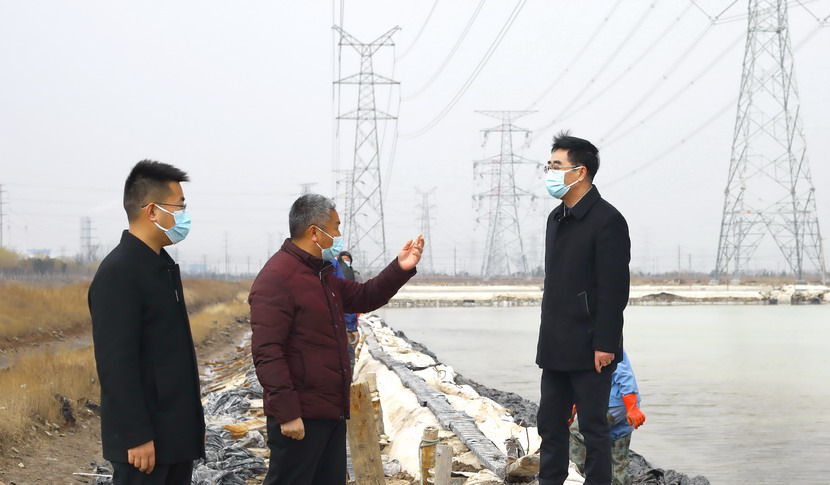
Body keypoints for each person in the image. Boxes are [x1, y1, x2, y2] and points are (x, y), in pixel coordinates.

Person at [249, 194, 424, 484]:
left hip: (329, 409)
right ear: (314, 232)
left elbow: (364, 296)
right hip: (301, 414)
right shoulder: (277, 278)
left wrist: (400, 268)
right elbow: (267, 352)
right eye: (336, 226)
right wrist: (287, 413)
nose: (339, 234)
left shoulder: (321, 274)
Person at [88, 160, 205, 484]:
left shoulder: (160, 267)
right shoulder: (120, 272)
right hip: (145, 444)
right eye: (179, 207)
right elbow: (116, 364)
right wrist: (136, 434)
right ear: (152, 210)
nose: (184, 216)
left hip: (173, 436)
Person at [536, 131, 631, 485]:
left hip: (592, 345)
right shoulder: (556, 218)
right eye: (549, 165)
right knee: (549, 424)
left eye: (556, 166)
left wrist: (605, 343)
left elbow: (614, 290)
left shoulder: (607, 220)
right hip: (555, 343)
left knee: (593, 429)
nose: (550, 172)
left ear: (580, 172)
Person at [569, 350, 646, 485]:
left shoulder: (603, 346)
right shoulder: (599, 344)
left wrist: (631, 407)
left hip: (614, 403)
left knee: (578, 433)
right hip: (623, 403)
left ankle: (573, 477)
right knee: (617, 454)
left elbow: (624, 375)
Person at [336, 250, 360, 367]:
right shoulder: (340, 271)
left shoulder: (350, 273)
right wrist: (351, 327)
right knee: (347, 359)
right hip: (342, 324)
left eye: (348, 260)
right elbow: (347, 300)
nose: (346, 262)